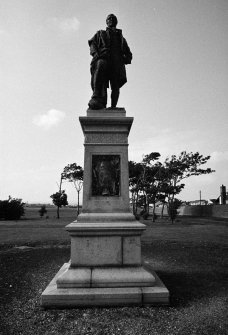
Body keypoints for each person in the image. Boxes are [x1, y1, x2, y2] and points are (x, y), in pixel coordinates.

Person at [88, 14, 132, 110]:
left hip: (116, 64)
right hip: (104, 59)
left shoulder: (121, 38)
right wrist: (96, 54)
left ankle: (113, 106)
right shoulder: (100, 33)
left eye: (113, 18)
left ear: (116, 22)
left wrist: (122, 59)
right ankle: (96, 96)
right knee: (100, 69)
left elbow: (129, 55)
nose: (111, 20)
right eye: (109, 18)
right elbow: (92, 43)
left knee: (115, 86)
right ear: (106, 22)